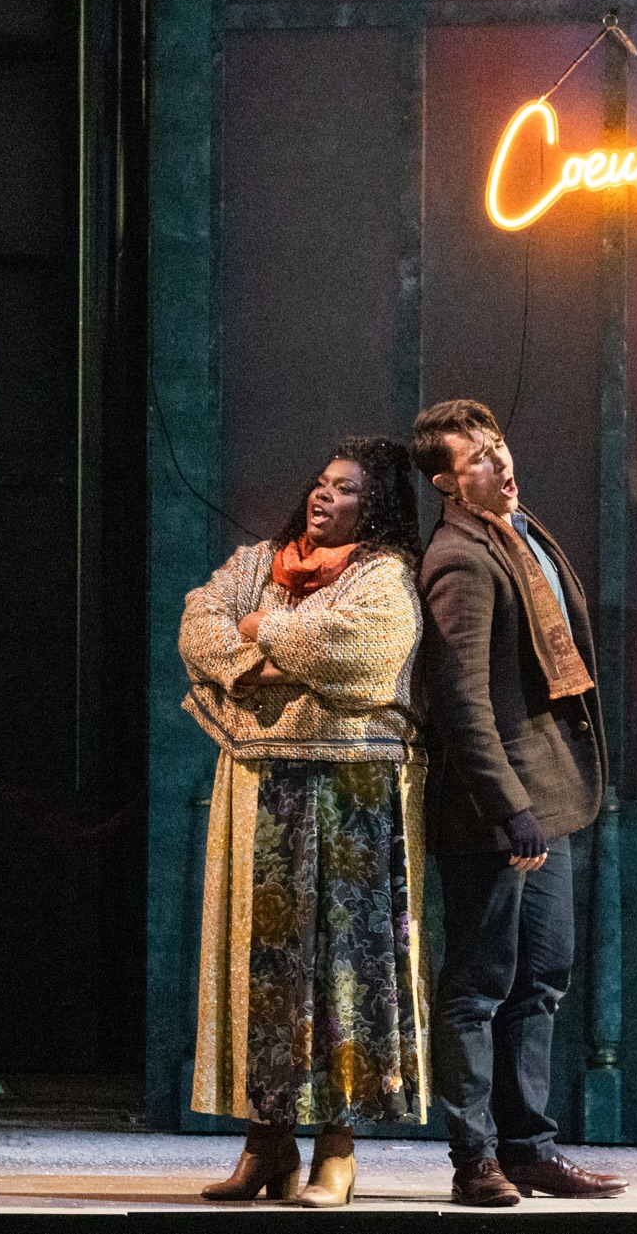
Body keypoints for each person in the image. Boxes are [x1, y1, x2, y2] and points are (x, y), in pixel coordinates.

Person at [178, 436, 429, 1208]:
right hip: (259, 788)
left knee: (342, 971)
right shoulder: (261, 562)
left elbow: (358, 647)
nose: (324, 495)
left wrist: (259, 632)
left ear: (374, 505)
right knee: (264, 972)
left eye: (345, 488)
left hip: (350, 794)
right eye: (322, 481)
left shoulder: (385, 575)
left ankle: (336, 1151)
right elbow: (198, 622)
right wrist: (262, 659)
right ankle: (268, 1145)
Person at [413, 398, 629, 1206]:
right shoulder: (461, 559)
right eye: (476, 457)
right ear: (446, 483)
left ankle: (529, 1147)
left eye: (497, 443)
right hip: (495, 809)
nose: (499, 460)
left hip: (545, 796)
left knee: (541, 978)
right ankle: (474, 1158)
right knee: (478, 985)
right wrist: (508, 808)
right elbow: (461, 699)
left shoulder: (519, 530)